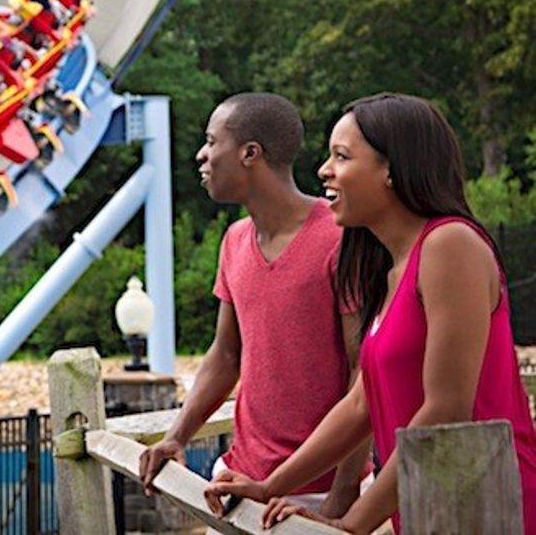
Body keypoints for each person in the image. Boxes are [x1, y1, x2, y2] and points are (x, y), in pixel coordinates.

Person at [204, 93, 536, 534]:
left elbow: (446, 409)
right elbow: (361, 402)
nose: (323, 170)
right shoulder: (392, 267)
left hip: (489, 507)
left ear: (392, 171)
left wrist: (351, 523)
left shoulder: (449, 245)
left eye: (341, 156)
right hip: (430, 505)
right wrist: (270, 485)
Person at [139, 93, 370, 523]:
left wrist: (344, 496)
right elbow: (226, 355)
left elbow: (364, 373)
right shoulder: (234, 241)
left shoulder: (341, 240)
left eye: (212, 142)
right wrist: (176, 437)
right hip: (235, 484)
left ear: (250, 153)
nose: (201, 155)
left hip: (315, 496)